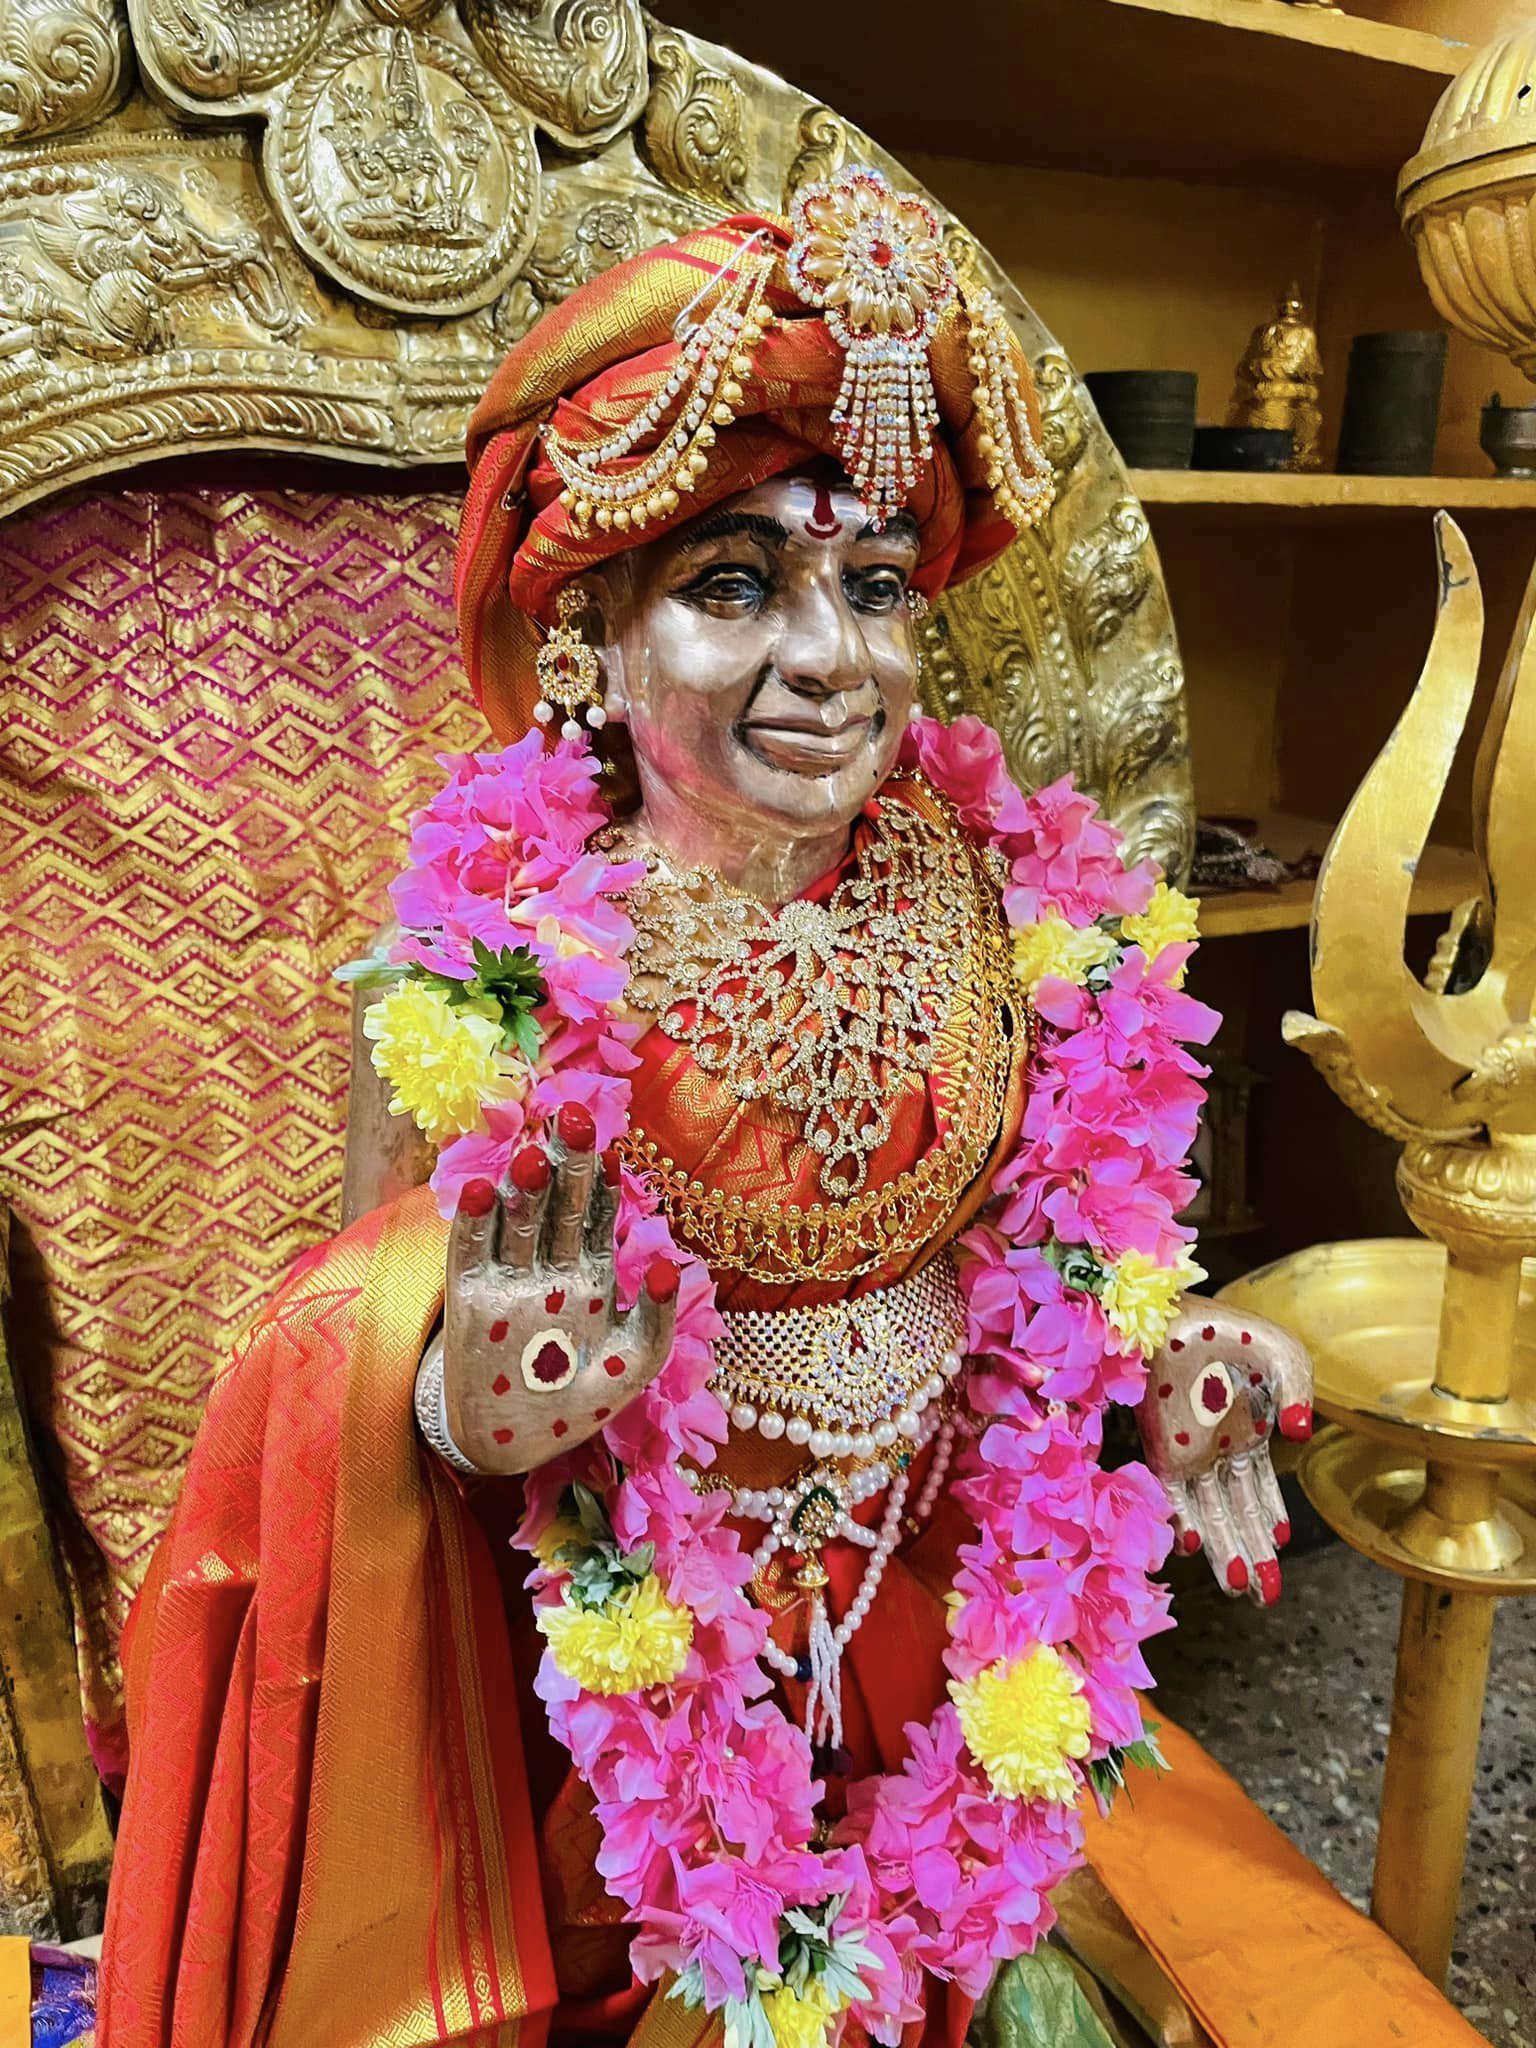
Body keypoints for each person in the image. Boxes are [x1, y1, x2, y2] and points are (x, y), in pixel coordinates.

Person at [94, 173, 1310, 2048]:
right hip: (608, 1697)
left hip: (937, 1642)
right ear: (592, 630)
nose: (828, 656)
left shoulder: (1019, 914)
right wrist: (459, 1404)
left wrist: (1161, 1356)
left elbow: (1062, 1273)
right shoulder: (482, 971)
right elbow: (362, 1339)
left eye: (875, 587)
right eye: (736, 587)